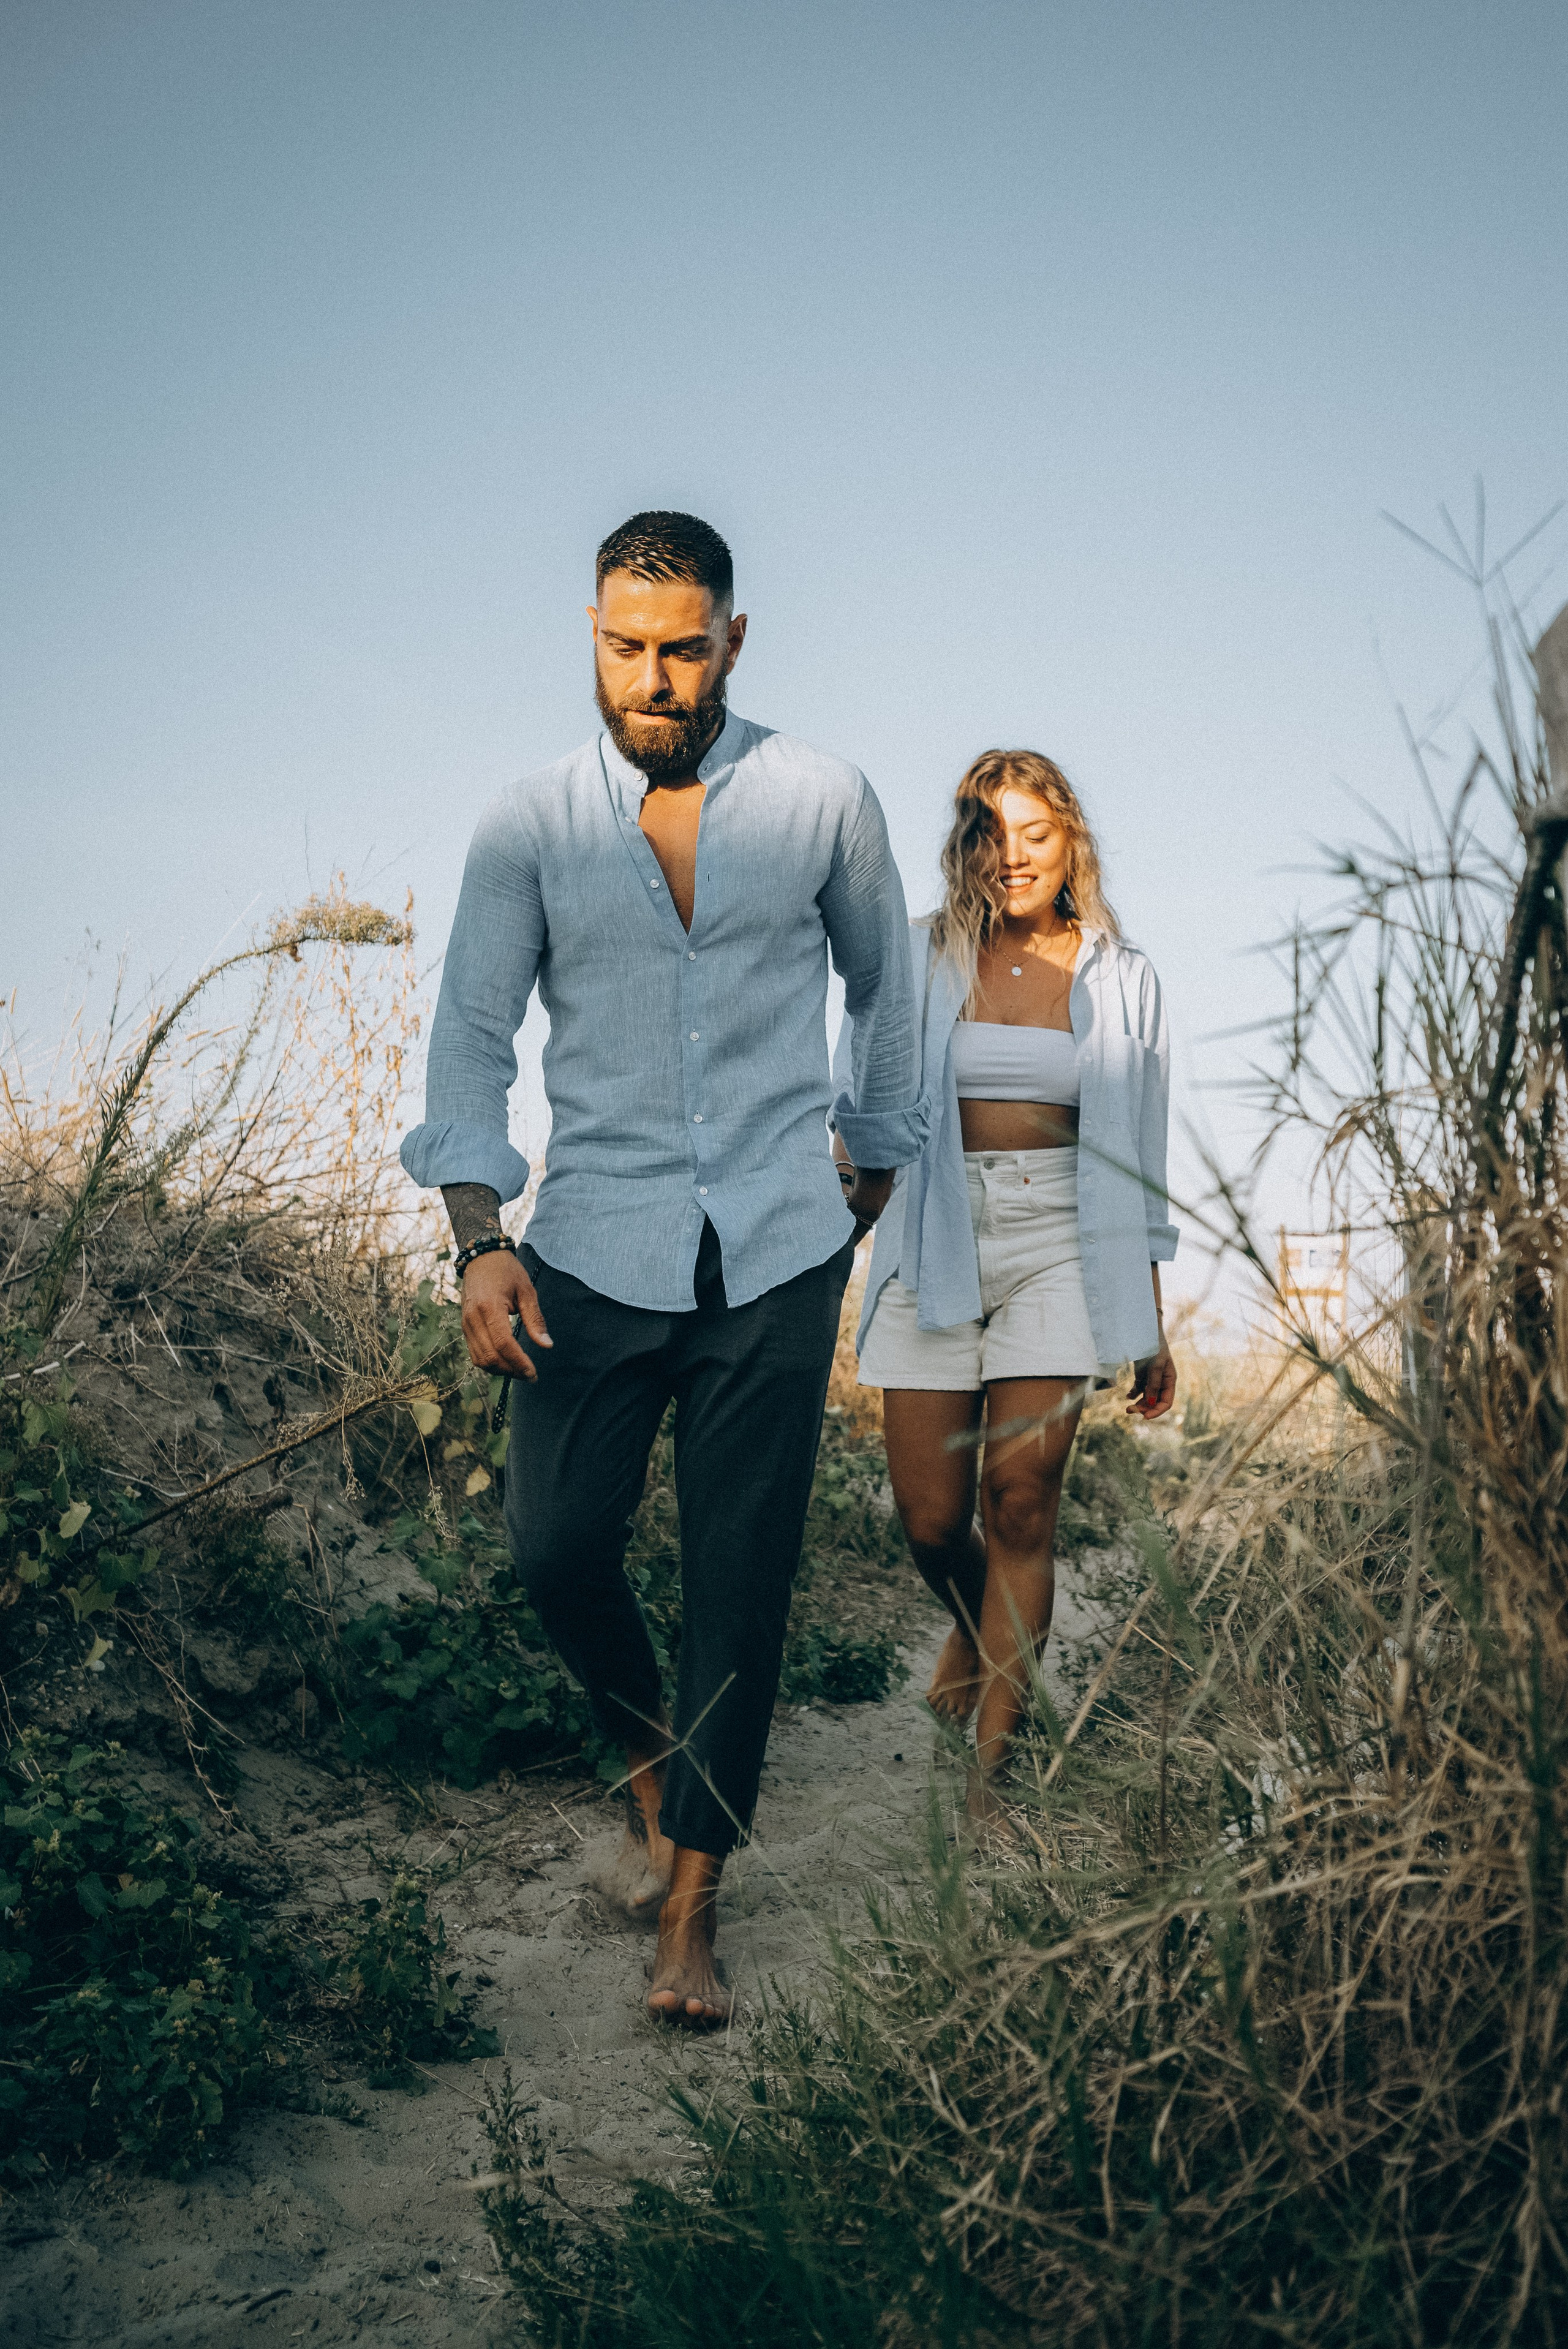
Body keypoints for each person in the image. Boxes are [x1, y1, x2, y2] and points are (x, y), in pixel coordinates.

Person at [400, 511, 925, 2025]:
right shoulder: (529, 825)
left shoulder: (825, 798)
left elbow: (884, 989)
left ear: (732, 643)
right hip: (594, 1244)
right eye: (626, 647)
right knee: (553, 1545)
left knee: (737, 1581)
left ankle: (691, 1911)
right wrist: (478, 1236)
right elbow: (470, 1034)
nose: (653, 676)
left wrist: (870, 1159)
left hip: (774, 1246)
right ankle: (652, 1762)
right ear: (590, 632)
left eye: (682, 648)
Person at [834, 749, 1177, 1812]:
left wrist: (1151, 1318)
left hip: (1065, 1239)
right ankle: (978, 1618)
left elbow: (1141, 1152)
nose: (1015, 855)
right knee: (933, 1520)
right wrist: (847, 1197)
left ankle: (996, 1769)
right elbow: (864, 1096)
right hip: (938, 1228)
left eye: (1036, 833)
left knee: (1020, 1498)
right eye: (993, 833)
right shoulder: (923, 956)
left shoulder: (1123, 974)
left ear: (1070, 839)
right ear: (967, 847)